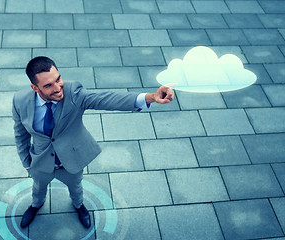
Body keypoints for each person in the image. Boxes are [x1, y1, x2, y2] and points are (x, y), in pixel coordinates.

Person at [12, 56, 175, 229]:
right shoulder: (20, 101)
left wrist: (150, 97)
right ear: (35, 88)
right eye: (48, 85)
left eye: (58, 79)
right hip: (40, 161)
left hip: (71, 160)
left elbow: (107, 99)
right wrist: (26, 162)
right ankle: (36, 205)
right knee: (38, 188)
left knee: (76, 187)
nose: (58, 88)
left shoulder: (73, 92)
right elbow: (20, 134)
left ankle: (79, 206)